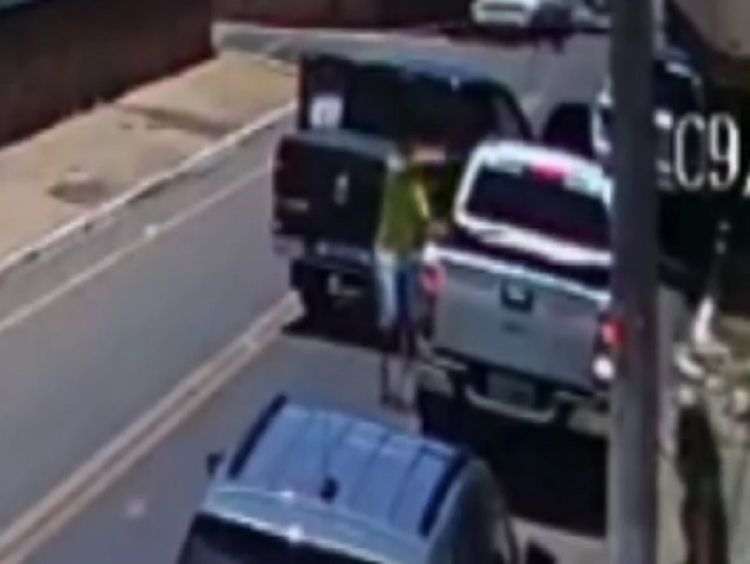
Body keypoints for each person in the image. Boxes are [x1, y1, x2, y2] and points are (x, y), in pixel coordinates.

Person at [374, 144, 440, 410]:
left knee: (410, 320)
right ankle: (387, 382)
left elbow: (427, 228)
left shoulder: (419, 193)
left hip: (409, 257)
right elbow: (401, 163)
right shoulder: (396, 176)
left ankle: (407, 385)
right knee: (390, 317)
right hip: (387, 253)